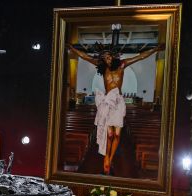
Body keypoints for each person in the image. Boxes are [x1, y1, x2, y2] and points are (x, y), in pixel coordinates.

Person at [68, 43, 164, 175]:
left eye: (109, 57)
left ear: (113, 56)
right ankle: (107, 158)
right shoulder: (102, 67)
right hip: (107, 101)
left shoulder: (122, 65)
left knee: (117, 134)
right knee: (110, 134)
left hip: (118, 101)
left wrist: (155, 49)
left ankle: (109, 158)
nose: (107, 59)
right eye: (105, 58)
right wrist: (72, 49)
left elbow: (141, 56)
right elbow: (84, 56)